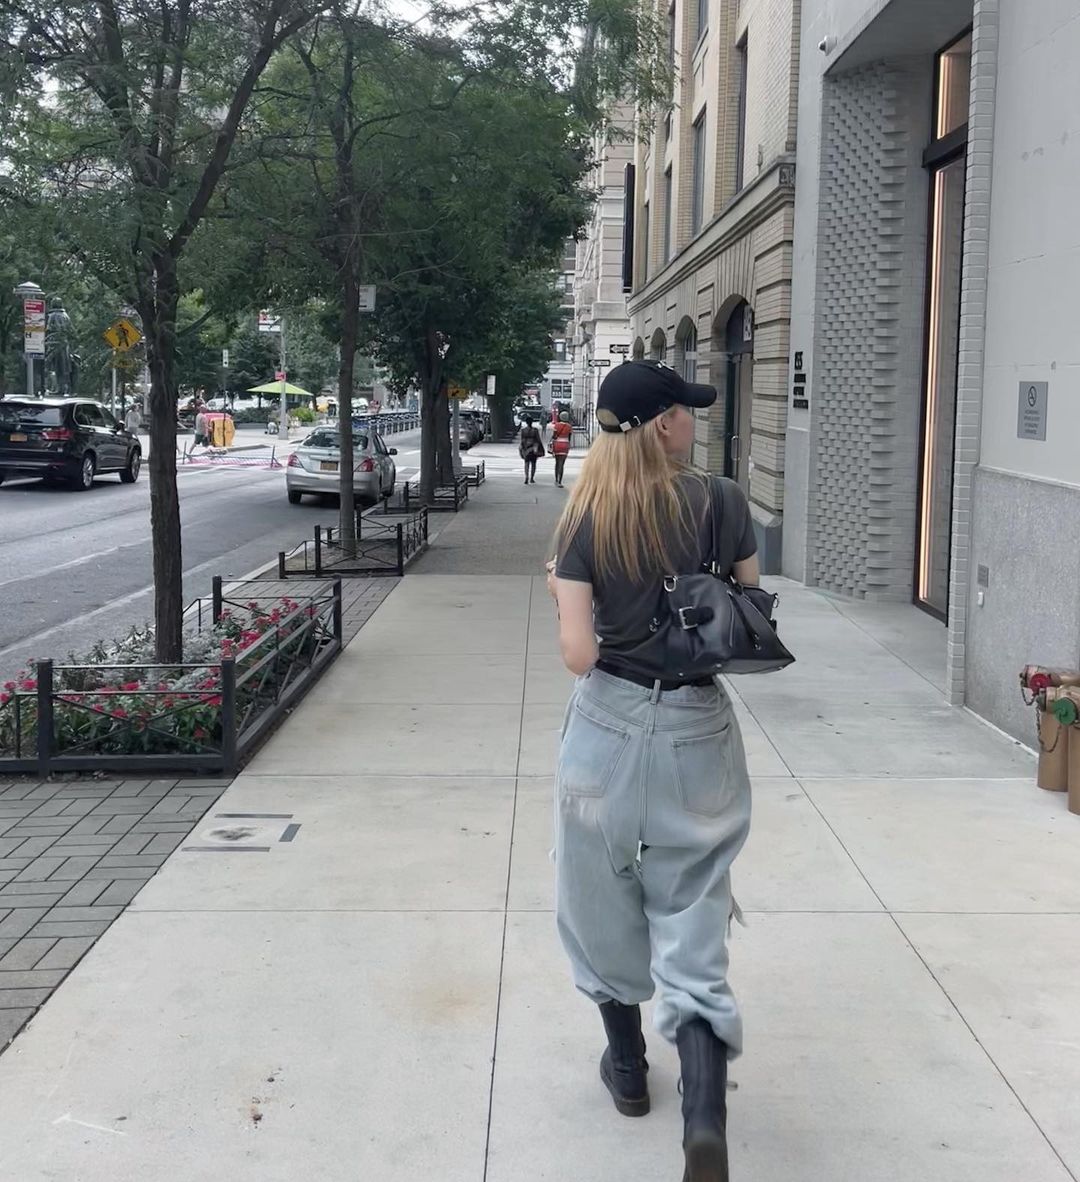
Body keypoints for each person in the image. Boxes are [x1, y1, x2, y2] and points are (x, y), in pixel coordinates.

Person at [547, 360, 760, 1182]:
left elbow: (578, 655)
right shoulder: (723, 501)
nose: (694, 422)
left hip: (606, 727)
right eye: (686, 411)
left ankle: (629, 1069)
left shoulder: (585, 516)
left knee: (597, 901)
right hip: (696, 729)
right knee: (694, 909)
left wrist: (569, 596)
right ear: (663, 424)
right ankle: (703, 1114)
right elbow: (748, 606)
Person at [519, 415, 544, 484]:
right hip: (533, 448)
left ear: (526, 422)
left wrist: (522, 448)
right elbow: (538, 439)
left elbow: (522, 440)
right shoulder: (535, 430)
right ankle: (532, 478)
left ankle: (526, 476)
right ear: (532, 422)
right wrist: (541, 448)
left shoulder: (523, 430)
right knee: (533, 463)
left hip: (526, 448)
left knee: (526, 463)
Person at [551, 410, 573, 487]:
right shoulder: (569, 427)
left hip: (557, 444)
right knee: (562, 464)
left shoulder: (556, 425)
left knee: (557, 463)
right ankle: (560, 481)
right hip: (565, 445)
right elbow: (569, 437)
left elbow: (554, 436)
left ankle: (556, 480)